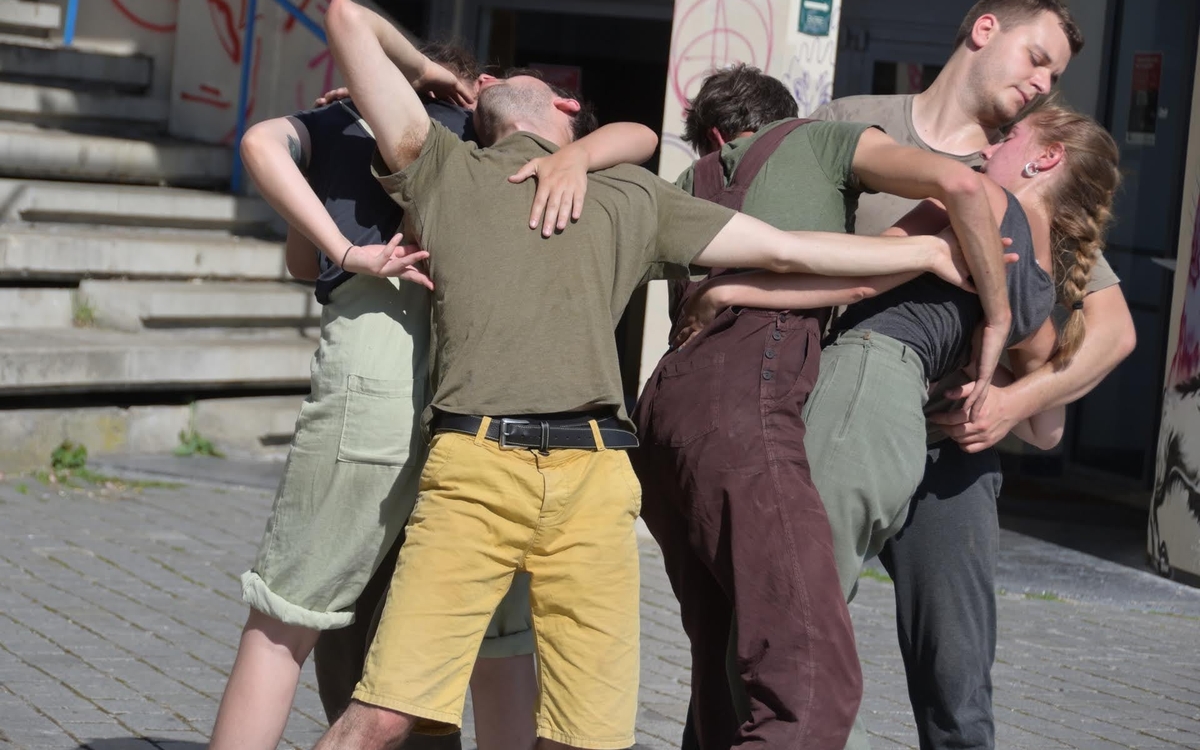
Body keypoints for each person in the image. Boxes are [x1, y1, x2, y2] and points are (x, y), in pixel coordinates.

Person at [310, 3, 975, 749]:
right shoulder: (440, 168)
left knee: (588, 735)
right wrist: (434, 75)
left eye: (513, 75)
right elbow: (345, 15)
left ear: (565, 107)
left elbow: (789, 251)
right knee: (385, 711)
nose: (494, 77)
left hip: (596, 480)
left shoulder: (631, 194)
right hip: (474, 468)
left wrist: (919, 255)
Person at [207, 41, 662, 750]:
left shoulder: (365, 126)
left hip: (381, 352)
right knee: (499, 634)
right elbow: (641, 135)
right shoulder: (482, 146)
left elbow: (292, 229)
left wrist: (342, 235)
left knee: (288, 614)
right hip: (483, 392)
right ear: (475, 86)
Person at [680, 94, 1119, 750]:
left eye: (1006, 138)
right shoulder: (1044, 272)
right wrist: (996, 393)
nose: (985, 148)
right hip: (905, 431)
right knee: (824, 626)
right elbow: (1047, 426)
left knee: (784, 623)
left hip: (860, 391)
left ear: (1045, 157)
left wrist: (730, 289)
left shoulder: (981, 204)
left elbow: (852, 278)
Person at [631, 62, 1014, 750]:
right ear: (784, 116)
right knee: (809, 679)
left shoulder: (688, 185)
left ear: (713, 134)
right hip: (747, 403)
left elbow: (700, 306)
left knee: (718, 676)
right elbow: (960, 182)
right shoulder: (820, 138)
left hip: (663, 413)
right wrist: (990, 304)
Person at [810, 2, 1136, 747]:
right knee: (785, 636)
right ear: (985, 29)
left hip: (952, 459)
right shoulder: (857, 119)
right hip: (844, 417)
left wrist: (1018, 398)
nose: (1044, 81)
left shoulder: (1017, 183)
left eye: (1055, 72)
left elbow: (1113, 330)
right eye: (1038, 57)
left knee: (957, 688)